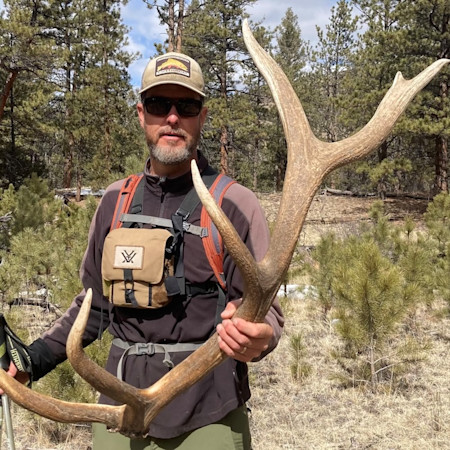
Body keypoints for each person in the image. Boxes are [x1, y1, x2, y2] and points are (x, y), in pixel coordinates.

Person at [6, 52, 284, 449]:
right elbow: (94, 306)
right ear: (141, 114)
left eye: (185, 106)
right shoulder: (115, 202)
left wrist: (259, 336)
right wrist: (32, 360)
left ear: (202, 117)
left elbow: (265, 311)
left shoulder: (236, 204)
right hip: (121, 411)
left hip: (206, 412)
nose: (172, 117)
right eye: (158, 105)